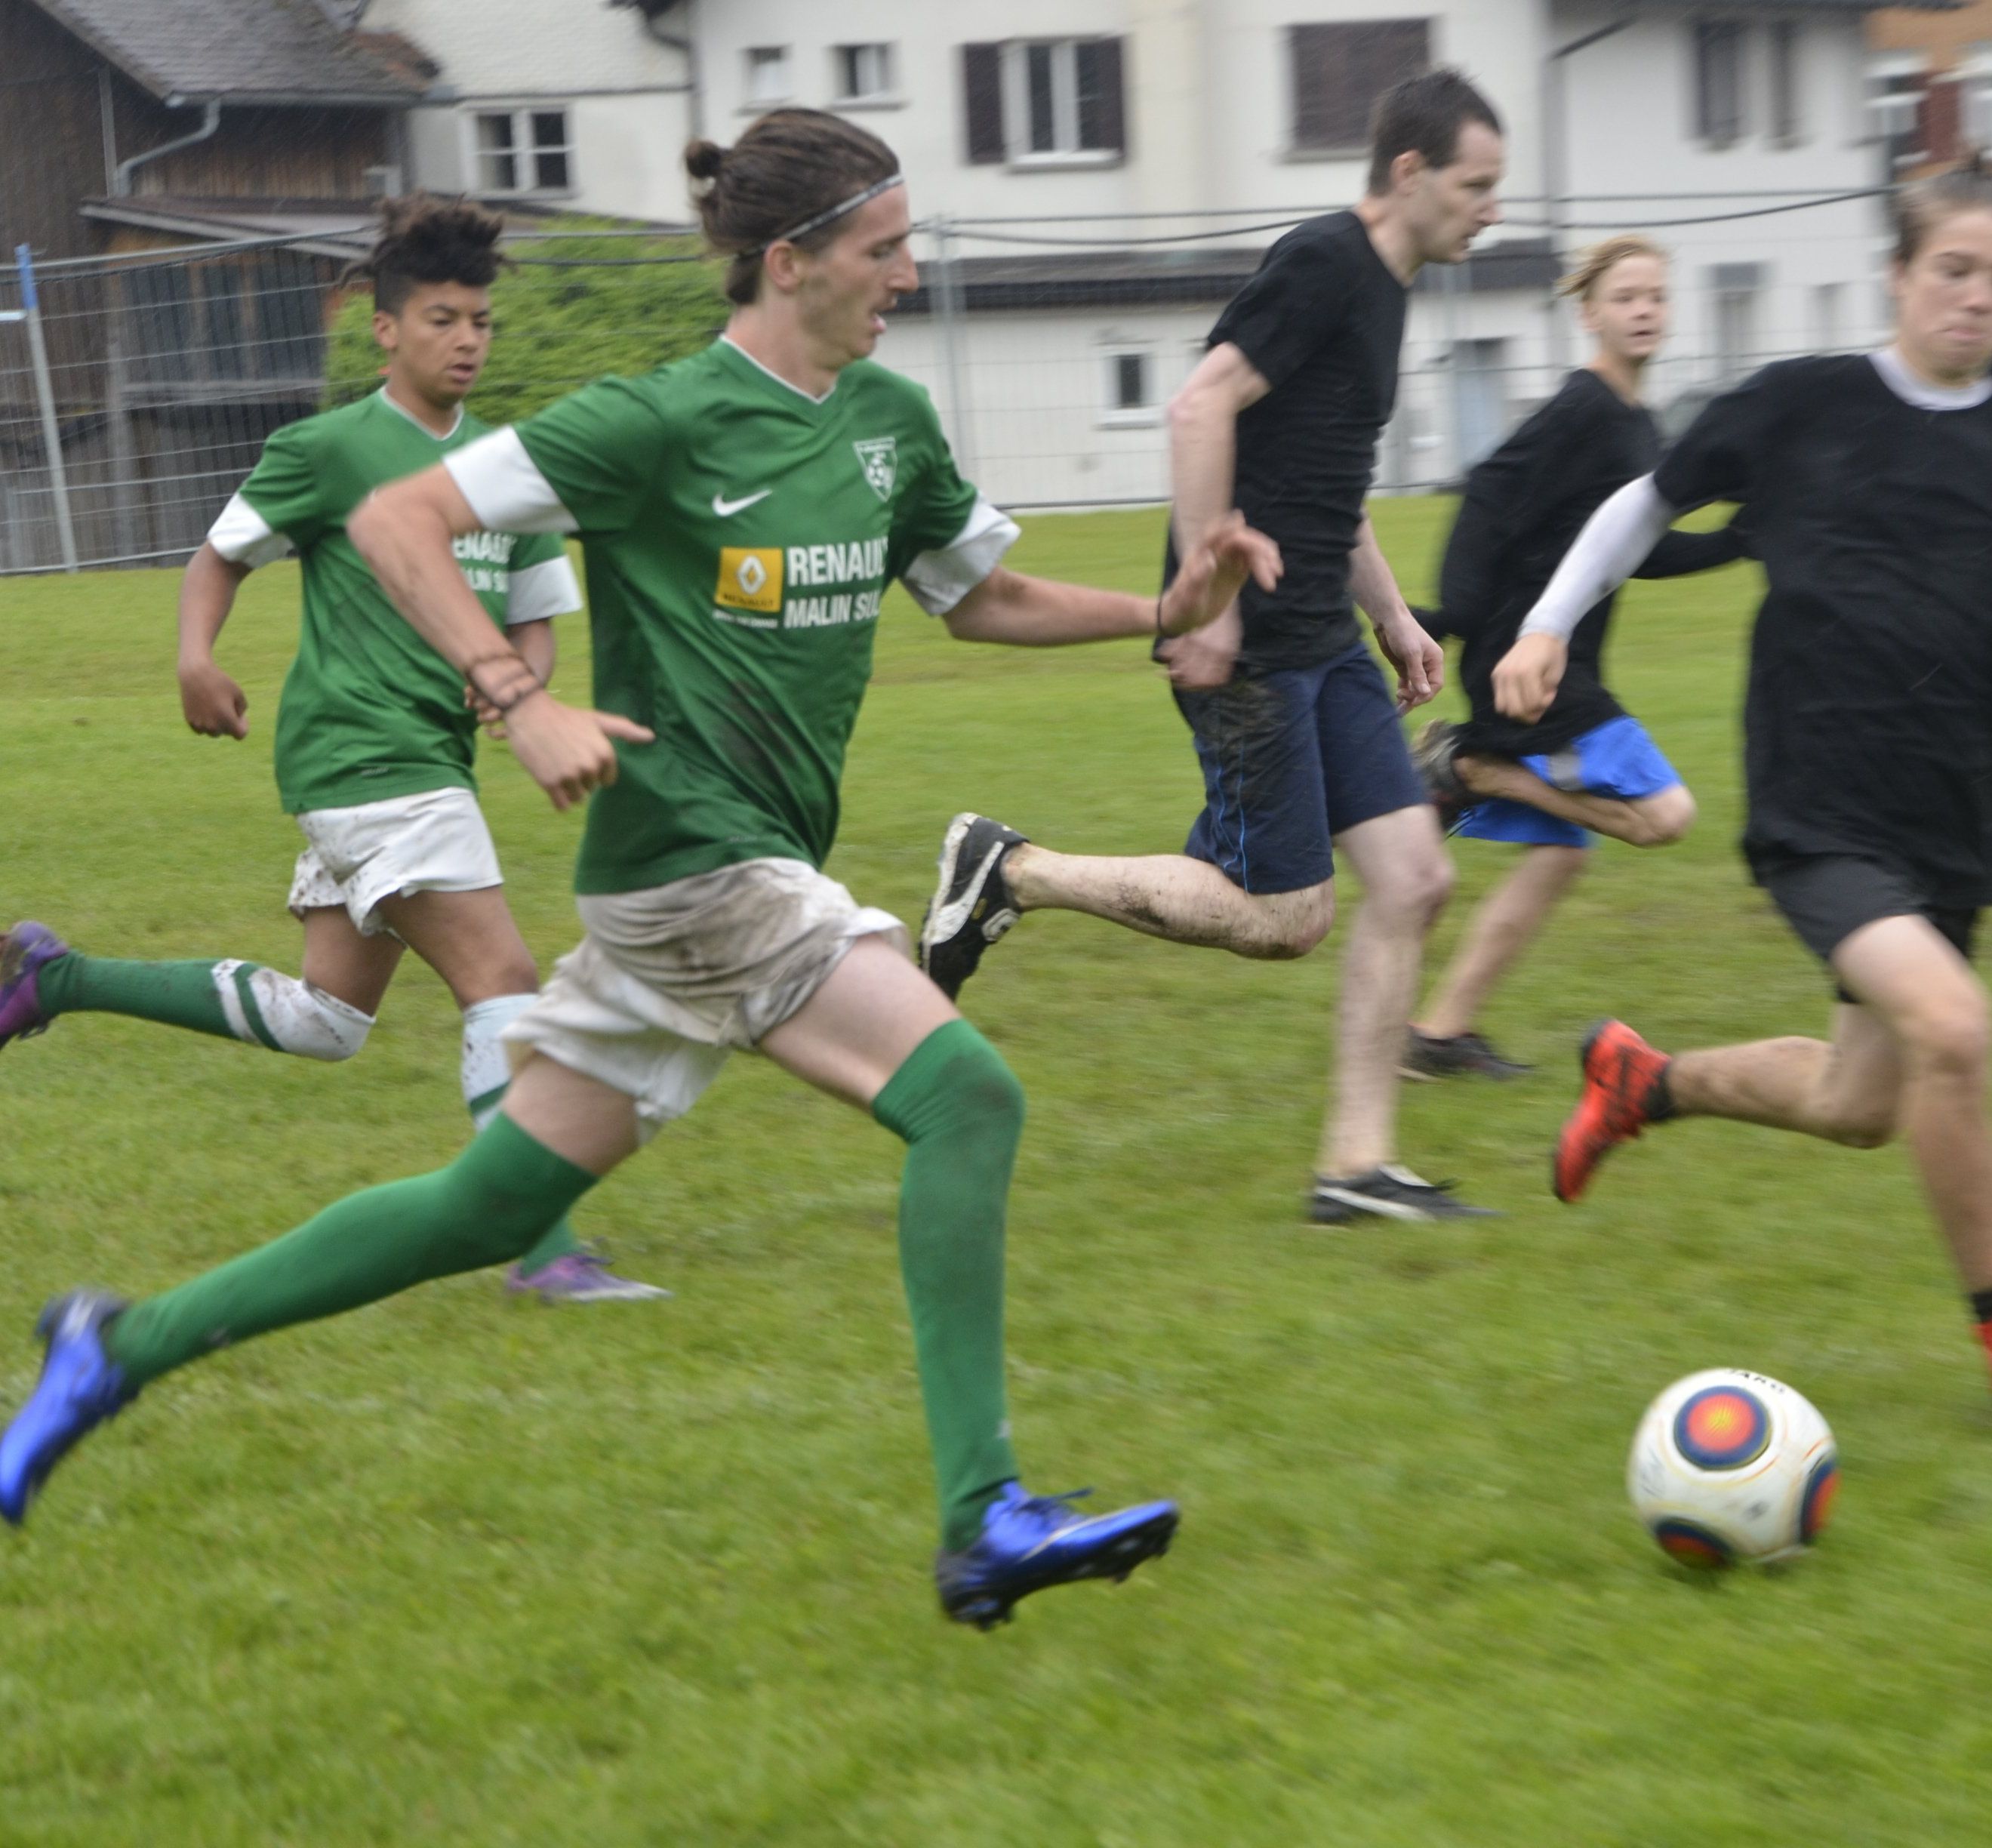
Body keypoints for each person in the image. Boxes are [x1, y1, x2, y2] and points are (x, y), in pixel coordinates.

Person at [0, 110, 1282, 1627]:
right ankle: (981, 1514)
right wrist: (516, 693)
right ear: (790, 262)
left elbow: (979, 593)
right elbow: (399, 516)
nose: (908, 271)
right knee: (967, 1097)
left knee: (484, 1209)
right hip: (695, 866)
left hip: (717, 880)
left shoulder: (883, 423)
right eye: (883, 250)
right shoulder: (659, 418)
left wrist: (1161, 608)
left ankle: (115, 1346)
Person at [1491, 169, 1992, 1412]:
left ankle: (1642, 1081)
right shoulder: (1802, 403)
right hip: (1819, 807)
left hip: (1944, 811)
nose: (1978, 298)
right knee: (1958, 1028)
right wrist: (1549, 624)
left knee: (1861, 1102)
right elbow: (1643, 504)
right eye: (1955, 269)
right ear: (1899, 273)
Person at [0, 196, 657, 1302]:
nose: (467, 339)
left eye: (481, 321)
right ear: (383, 329)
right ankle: (541, 1248)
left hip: (429, 760)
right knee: (500, 976)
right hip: (361, 756)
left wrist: (518, 689)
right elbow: (220, 556)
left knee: (326, 1021)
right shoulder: (329, 448)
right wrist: (194, 660)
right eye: (443, 318)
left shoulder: (511, 464)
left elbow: (538, 617)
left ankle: (55, 976)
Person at [914, 71, 1507, 1226]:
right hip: (1251, 644)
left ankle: (1356, 1169)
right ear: (1410, 174)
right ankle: (1012, 870)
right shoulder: (1328, 263)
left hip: (1321, 631)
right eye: (1478, 185)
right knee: (1285, 915)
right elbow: (1199, 407)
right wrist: (1212, 609)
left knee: (1415, 876)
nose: (1492, 209)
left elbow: (1328, 484)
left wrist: (1392, 615)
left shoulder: (1387, 289)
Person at [1401, 235, 1744, 1081]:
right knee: (1666, 816)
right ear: (1588, 313)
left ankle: (1436, 1037)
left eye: (1655, 297)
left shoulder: (1633, 420)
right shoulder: (1583, 407)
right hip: (1527, 660)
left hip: (1558, 659)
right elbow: (1487, 489)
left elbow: (1639, 550)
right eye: (1625, 297)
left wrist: (1741, 540)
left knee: (1560, 852)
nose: (1643, 311)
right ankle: (1471, 770)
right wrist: (1458, 617)